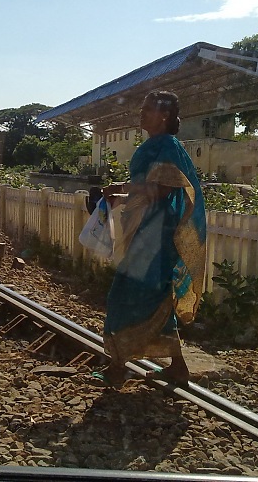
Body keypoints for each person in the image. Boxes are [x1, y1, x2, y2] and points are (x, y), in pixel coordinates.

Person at [96, 90, 207, 388]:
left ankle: (117, 368)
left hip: (158, 234)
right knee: (155, 299)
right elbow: (150, 191)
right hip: (148, 230)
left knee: (124, 295)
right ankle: (178, 368)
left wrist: (123, 187)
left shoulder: (168, 146)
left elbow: (161, 191)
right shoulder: (155, 145)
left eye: (148, 109)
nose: (141, 114)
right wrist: (120, 196)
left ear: (164, 115)